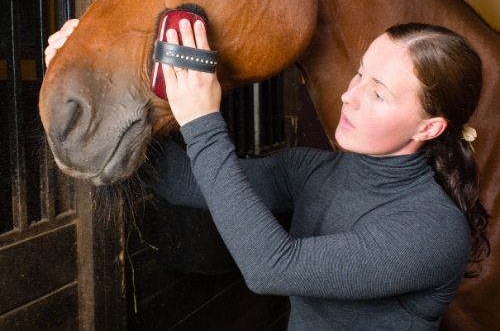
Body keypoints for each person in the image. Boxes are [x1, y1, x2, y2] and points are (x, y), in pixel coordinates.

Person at [45, 19, 489, 330]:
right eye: (359, 74)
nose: (349, 96)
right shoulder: (314, 169)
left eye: (378, 93)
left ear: (429, 128)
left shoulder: (432, 229)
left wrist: (202, 121)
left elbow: (271, 267)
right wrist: (96, 83)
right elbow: (188, 181)